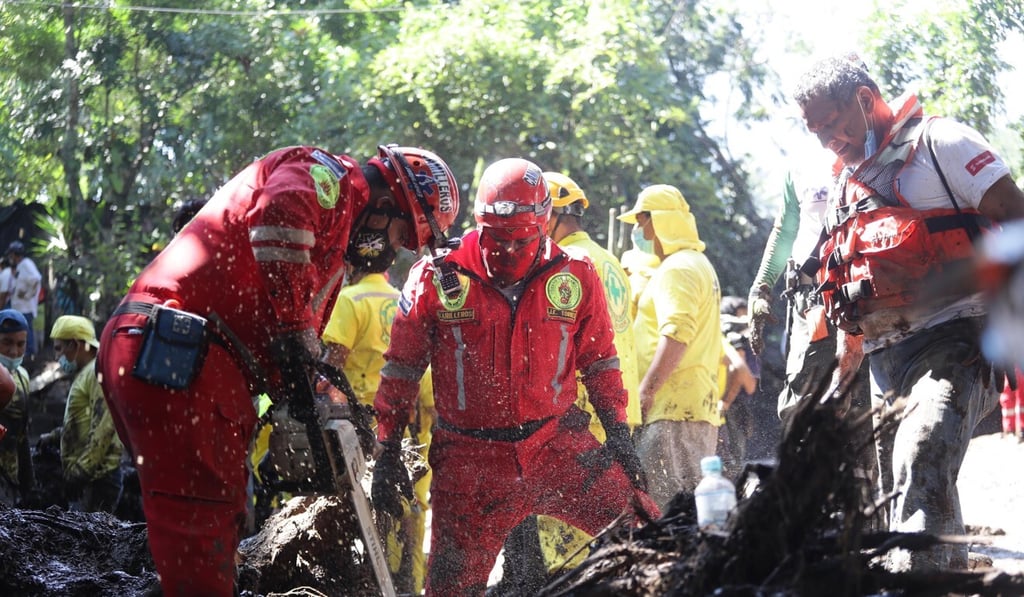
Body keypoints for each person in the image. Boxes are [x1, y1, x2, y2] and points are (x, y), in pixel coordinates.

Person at [97, 143, 459, 596]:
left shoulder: (334, 230)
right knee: (200, 533)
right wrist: (295, 332)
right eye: (400, 237)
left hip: (184, 357)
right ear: (386, 203)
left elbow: (293, 351)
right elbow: (282, 213)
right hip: (181, 352)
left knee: (217, 526)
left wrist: (330, 399)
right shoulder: (328, 178)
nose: (391, 255)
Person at [372, 158, 658, 596]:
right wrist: (387, 445)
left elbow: (600, 361)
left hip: (556, 446)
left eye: (522, 239)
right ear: (478, 223)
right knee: (450, 588)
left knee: (648, 532)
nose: (509, 250)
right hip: (471, 462)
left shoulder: (575, 274)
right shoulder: (435, 276)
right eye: (498, 238)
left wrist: (617, 433)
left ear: (545, 223)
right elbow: (401, 369)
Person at [793, 55, 1024, 572]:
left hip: (959, 339)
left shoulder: (942, 145)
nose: (826, 139)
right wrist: (840, 383)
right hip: (883, 361)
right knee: (908, 491)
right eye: (814, 130)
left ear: (863, 97)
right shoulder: (840, 189)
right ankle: (942, 576)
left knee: (919, 458)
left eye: (831, 122)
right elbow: (847, 291)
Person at [320, 261, 432, 594]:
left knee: (357, 516)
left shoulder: (350, 300)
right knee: (411, 508)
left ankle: (368, 586)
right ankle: (409, 586)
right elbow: (422, 371)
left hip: (360, 433)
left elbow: (330, 370)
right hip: (408, 428)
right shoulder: (404, 299)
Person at [617, 184, 722, 511]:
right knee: (687, 512)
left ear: (657, 221)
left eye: (640, 221)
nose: (637, 230)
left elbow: (677, 333)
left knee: (663, 513)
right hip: (691, 407)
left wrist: (646, 392)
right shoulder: (696, 264)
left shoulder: (677, 269)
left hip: (670, 408)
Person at [747, 175, 835, 425]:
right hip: (814, 302)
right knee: (805, 404)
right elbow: (785, 231)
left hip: (875, 301)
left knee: (876, 403)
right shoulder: (801, 165)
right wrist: (760, 290)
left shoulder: (885, 143)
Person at [36, 316, 124, 513]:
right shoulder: (86, 373)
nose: (57, 356)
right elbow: (82, 421)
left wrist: (80, 473)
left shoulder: (96, 372)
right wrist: (54, 436)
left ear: (75, 345)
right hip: (90, 477)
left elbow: (104, 427)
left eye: (59, 349)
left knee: (90, 539)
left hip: (97, 480)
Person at [0, 309, 32, 506]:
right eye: (6, 342)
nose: (14, 352)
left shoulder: (23, 377)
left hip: (10, 476)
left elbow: (23, 434)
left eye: (21, 344)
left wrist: (29, 482)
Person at [5, 241, 41, 358]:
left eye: (11, 255)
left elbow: (36, 279)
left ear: (16, 254)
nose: (10, 257)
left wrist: (27, 294)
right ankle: (27, 354)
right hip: (20, 307)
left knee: (26, 331)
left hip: (25, 307)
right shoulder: (20, 266)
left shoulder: (26, 264)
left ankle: (29, 354)